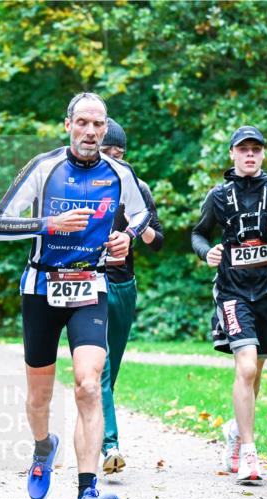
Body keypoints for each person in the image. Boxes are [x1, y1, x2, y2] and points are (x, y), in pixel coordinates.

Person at [0, 92, 152, 499]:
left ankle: (86, 494)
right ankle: (43, 447)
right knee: (39, 398)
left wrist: (128, 237)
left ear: (105, 128)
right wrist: (47, 225)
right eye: (82, 123)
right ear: (68, 126)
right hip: (40, 286)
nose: (91, 132)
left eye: (98, 124)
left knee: (87, 386)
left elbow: (143, 215)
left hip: (90, 286)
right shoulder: (44, 168)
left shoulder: (119, 173)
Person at [191, 126, 267, 484]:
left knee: (254, 373)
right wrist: (205, 252)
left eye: (256, 149)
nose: (250, 155)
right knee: (244, 369)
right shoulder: (219, 196)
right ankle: (250, 454)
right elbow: (197, 233)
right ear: (232, 154)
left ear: (263, 154)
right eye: (244, 149)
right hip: (233, 292)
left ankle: (235, 432)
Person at [98, 119, 164, 475]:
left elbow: (159, 242)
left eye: (119, 153)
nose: (113, 158)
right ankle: (110, 444)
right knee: (100, 366)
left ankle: (94, 425)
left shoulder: (138, 189)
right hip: (89, 283)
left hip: (124, 287)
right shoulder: (84, 187)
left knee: (110, 372)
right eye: (106, 152)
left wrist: (137, 230)